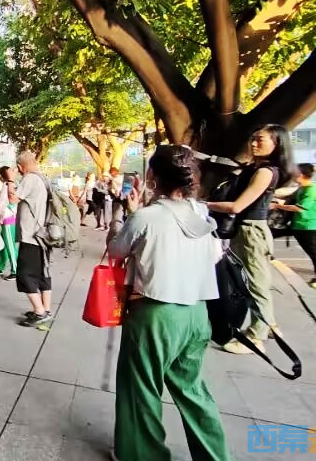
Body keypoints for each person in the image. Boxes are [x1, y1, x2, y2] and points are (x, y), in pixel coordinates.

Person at [108, 146, 228, 461]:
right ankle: (214, 455)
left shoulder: (146, 217)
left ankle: (142, 455)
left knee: (141, 388)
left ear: (152, 176)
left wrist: (126, 216)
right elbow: (215, 255)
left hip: (155, 314)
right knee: (192, 389)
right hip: (197, 313)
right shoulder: (201, 214)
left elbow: (117, 251)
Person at [208, 124, 294, 355]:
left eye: (261, 140)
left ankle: (256, 337)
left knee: (254, 284)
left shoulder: (265, 172)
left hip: (251, 232)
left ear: (277, 144)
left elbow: (237, 206)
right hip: (246, 231)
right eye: (253, 138)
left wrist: (202, 204)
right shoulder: (256, 168)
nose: (254, 143)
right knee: (253, 281)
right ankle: (269, 325)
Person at [14, 151, 53, 329]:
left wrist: (9, 180)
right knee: (42, 273)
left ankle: (39, 312)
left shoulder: (29, 178)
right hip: (44, 235)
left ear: (20, 167)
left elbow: (13, 198)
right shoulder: (44, 179)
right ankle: (46, 309)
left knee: (25, 274)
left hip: (31, 236)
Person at [271, 163, 316, 288]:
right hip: (297, 225)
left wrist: (277, 206)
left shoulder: (311, 190)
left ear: (300, 174)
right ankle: (268, 256)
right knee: (269, 233)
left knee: (314, 253)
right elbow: (288, 198)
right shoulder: (302, 188)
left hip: (310, 227)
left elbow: (299, 208)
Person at [0, 165, 19, 279]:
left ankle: (15, 271)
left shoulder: (7, 185)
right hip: (7, 219)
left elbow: (2, 202)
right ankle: (0, 267)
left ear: (1, 176)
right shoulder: (11, 184)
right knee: (3, 245)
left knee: (10, 246)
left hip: (8, 220)